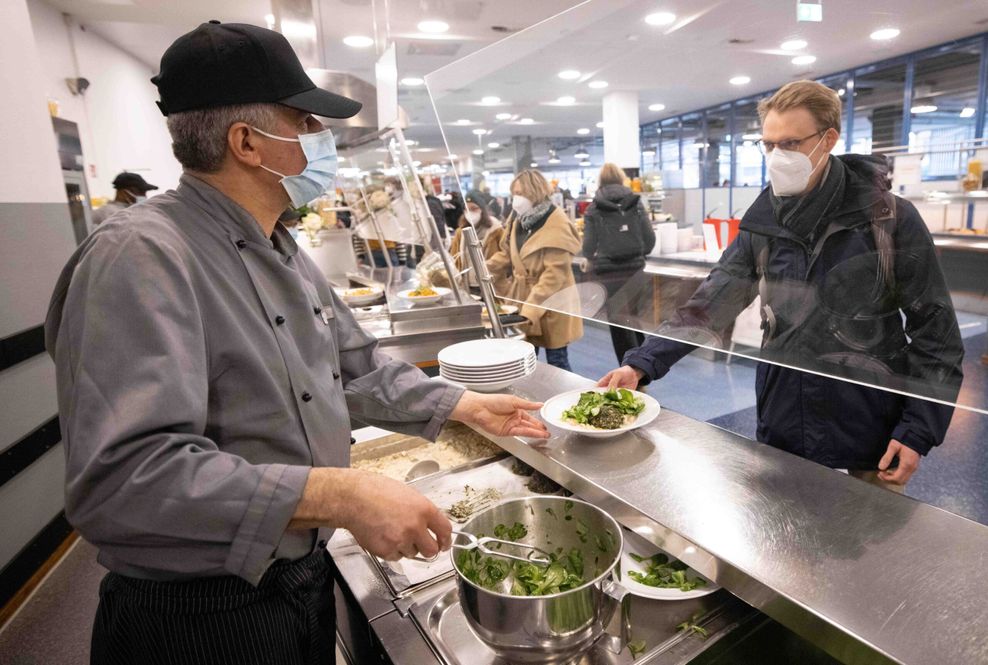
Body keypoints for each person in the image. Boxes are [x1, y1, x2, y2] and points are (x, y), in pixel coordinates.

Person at [45, 21, 548, 665]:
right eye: (307, 124)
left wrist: (464, 406)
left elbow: (353, 369)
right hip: (198, 616)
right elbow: (124, 480)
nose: (323, 141)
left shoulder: (279, 246)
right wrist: (339, 493)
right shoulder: (140, 258)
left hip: (294, 579)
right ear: (248, 142)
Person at [599, 80, 963, 491]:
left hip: (870, 422)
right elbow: (712, 301)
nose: (776, 157)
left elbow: (937, 333)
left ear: (828, 139)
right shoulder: (765, 222)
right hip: (787, 413)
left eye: (789, 143)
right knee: (785, 539)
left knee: (870, 543)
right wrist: (643, 362)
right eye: (768, 144)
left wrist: (917, 429)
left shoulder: (889, 220)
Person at [488, 170, 583, 371]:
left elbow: (554, 276)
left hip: (552, 304)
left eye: (521, 193)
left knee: (557, 362)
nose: (516, 199)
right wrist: (481, 269)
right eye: (513, 193)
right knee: (525, 361)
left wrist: (531, 309)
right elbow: (506, 253)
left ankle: (565, 400)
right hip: (523, 300)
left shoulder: (557, 224)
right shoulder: (518, 221)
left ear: (536, 192)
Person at [582, 163, 656, 363]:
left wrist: (597, 256)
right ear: (621, 178)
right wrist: (638, 254)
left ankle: (630, 371)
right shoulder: (636, 203)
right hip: (636, 270)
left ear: (601, 181)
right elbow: (649, 240)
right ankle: (643, 366)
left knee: (619, 323)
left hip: (609, 273)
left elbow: (588, 247)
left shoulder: (594, 207)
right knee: (634, 318)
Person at [449, 189, 504, 282]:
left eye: (474, 208)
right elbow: (454, 257)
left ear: (482, 209)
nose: (470, 212)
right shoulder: (460, 233)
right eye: (467, 209)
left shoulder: (496, 231)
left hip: (491, 284)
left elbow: (504, 256)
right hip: (467, 284)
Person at [91, 171, 158, 224]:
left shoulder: (135, 211)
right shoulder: (105, 213)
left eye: (144, 192)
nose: (143, 196)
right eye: (138, 191)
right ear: (122, 192)